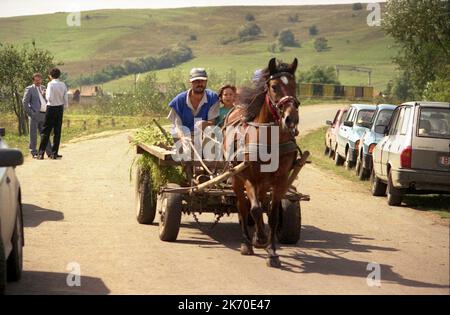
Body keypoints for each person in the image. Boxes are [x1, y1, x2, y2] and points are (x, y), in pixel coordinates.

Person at [167, 68, 219, 138]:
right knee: (176, 131)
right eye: (196, 81)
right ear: (190, 82)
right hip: (183, 134)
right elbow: (178, 126)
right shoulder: (179, 100)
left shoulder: (212, 98)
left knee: (210, 129)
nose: (200, 84)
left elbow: (212, 122)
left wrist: (204, 123)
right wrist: (184, 138)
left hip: (203, 135)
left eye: (202, 81)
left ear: (206, 81)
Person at [37, 67, 68, 160]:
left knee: (46, 131)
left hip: (51, 108)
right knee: (57, 131)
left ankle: (41, 153)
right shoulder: (63, 85)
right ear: (59, 75)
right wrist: (64, 107)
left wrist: (44, 95)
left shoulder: (50, 84)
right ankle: (54, 153)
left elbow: (49, 97)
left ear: (50, 76)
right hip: (59, 108)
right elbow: (65, 99)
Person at [22, 73, 52, 158]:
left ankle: (49, 153)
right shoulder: (29, 89)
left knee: (45, 134)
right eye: (36, 80)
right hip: (34, 115)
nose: (38, 82)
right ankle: (34, 153)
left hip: (44, 114)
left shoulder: (44, 88)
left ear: (41, 80)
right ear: (33, 80)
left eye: (39, 80)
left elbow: (47, 100)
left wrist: (45, 96)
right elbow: (25, 102)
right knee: (33, 134)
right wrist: (31, 113)